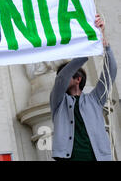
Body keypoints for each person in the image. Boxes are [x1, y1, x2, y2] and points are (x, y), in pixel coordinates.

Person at [50, 14, 117, 161]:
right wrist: (86, 51)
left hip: (96, 157)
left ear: (77, 79)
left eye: (69, 74)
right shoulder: (58, 101)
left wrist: (105, 46)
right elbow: (61, 79)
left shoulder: (94, 99)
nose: (63, 77)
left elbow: (110, 73)